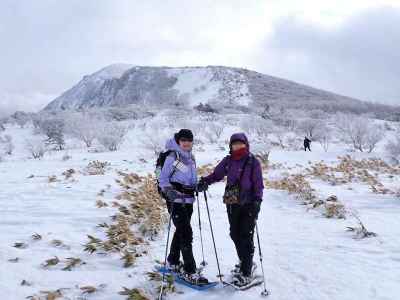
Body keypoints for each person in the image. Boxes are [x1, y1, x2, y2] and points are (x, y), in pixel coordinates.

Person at [197, 133, 264, 287]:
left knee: (246, 236)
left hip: (249, 204)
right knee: (235, 234)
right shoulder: (229, 160)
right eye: (234, 144)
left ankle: (247, 272)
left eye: (240, 144)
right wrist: (205, 182)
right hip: (232, 203)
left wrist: (257, 201)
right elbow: (217, 174)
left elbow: (258, 184)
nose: (237, 146)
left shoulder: (253, 162)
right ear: (231, 146)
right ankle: (245, 262)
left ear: (246, 144)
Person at [159, 129, 208, 285]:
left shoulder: (191, 158)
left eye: (189, 140)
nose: (186, 143)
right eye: (183, 140)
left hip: (188, 201)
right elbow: (163, 178)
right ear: (178, 141)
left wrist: (198, 186)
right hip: (175, 200)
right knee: (186, 233)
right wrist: (168, 191)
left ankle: (173, 261)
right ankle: (189, 271)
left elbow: (189, 179)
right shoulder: (174, 156)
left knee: (181, 231)